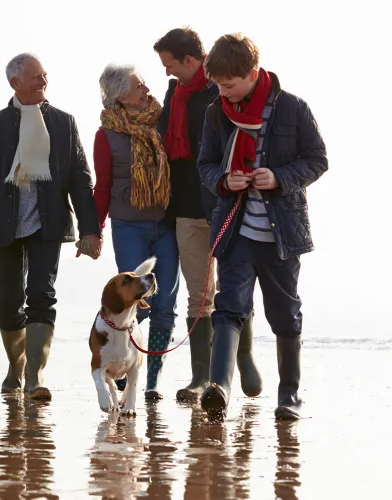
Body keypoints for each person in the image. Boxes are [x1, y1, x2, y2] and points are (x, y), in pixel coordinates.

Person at [197, 34, 328, 420]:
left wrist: (280, 177)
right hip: (235, 231)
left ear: (252, 73)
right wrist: (224, 179)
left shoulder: (293, 108)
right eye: (218, 85)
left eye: (230, 84)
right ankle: (218, 387)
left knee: (285, 314)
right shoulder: (216, 113)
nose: (223, 92)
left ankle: (289, 397)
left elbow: (318, 159)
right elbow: (205, 166)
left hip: (282, 235)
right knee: (228, 309)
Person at [0, 52, 102, 400]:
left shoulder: (63, 123)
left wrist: (90, 230)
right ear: (16, 82)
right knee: (8, 303)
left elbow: (81, 181)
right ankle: (17, 366)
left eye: (45, 76)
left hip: (48, 223)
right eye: (37, 77)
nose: (44, 82)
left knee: (42, 296)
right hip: (6, 225)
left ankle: (35, 376)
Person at [153, 27, 262, 403]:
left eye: (170, 64)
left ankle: (243, 359)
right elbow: (165, 144)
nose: (166, 72)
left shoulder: (223, 91)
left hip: (224, 204)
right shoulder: (173, 94)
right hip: (184, 208)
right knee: (200, 294)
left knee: (233, 290)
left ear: (189, 60)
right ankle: (201, 376)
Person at [92, 63, 179, 400]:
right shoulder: (107, 134)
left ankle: (152, 379)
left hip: (167, 224)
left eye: (144, 84)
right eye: (139, 85)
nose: (146, 89)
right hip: (128, 226)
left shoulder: (164, 121)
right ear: (122, 98)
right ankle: (125, 370)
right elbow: (102, 187)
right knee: (132, 303)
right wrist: (94, 230)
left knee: (165, 305)